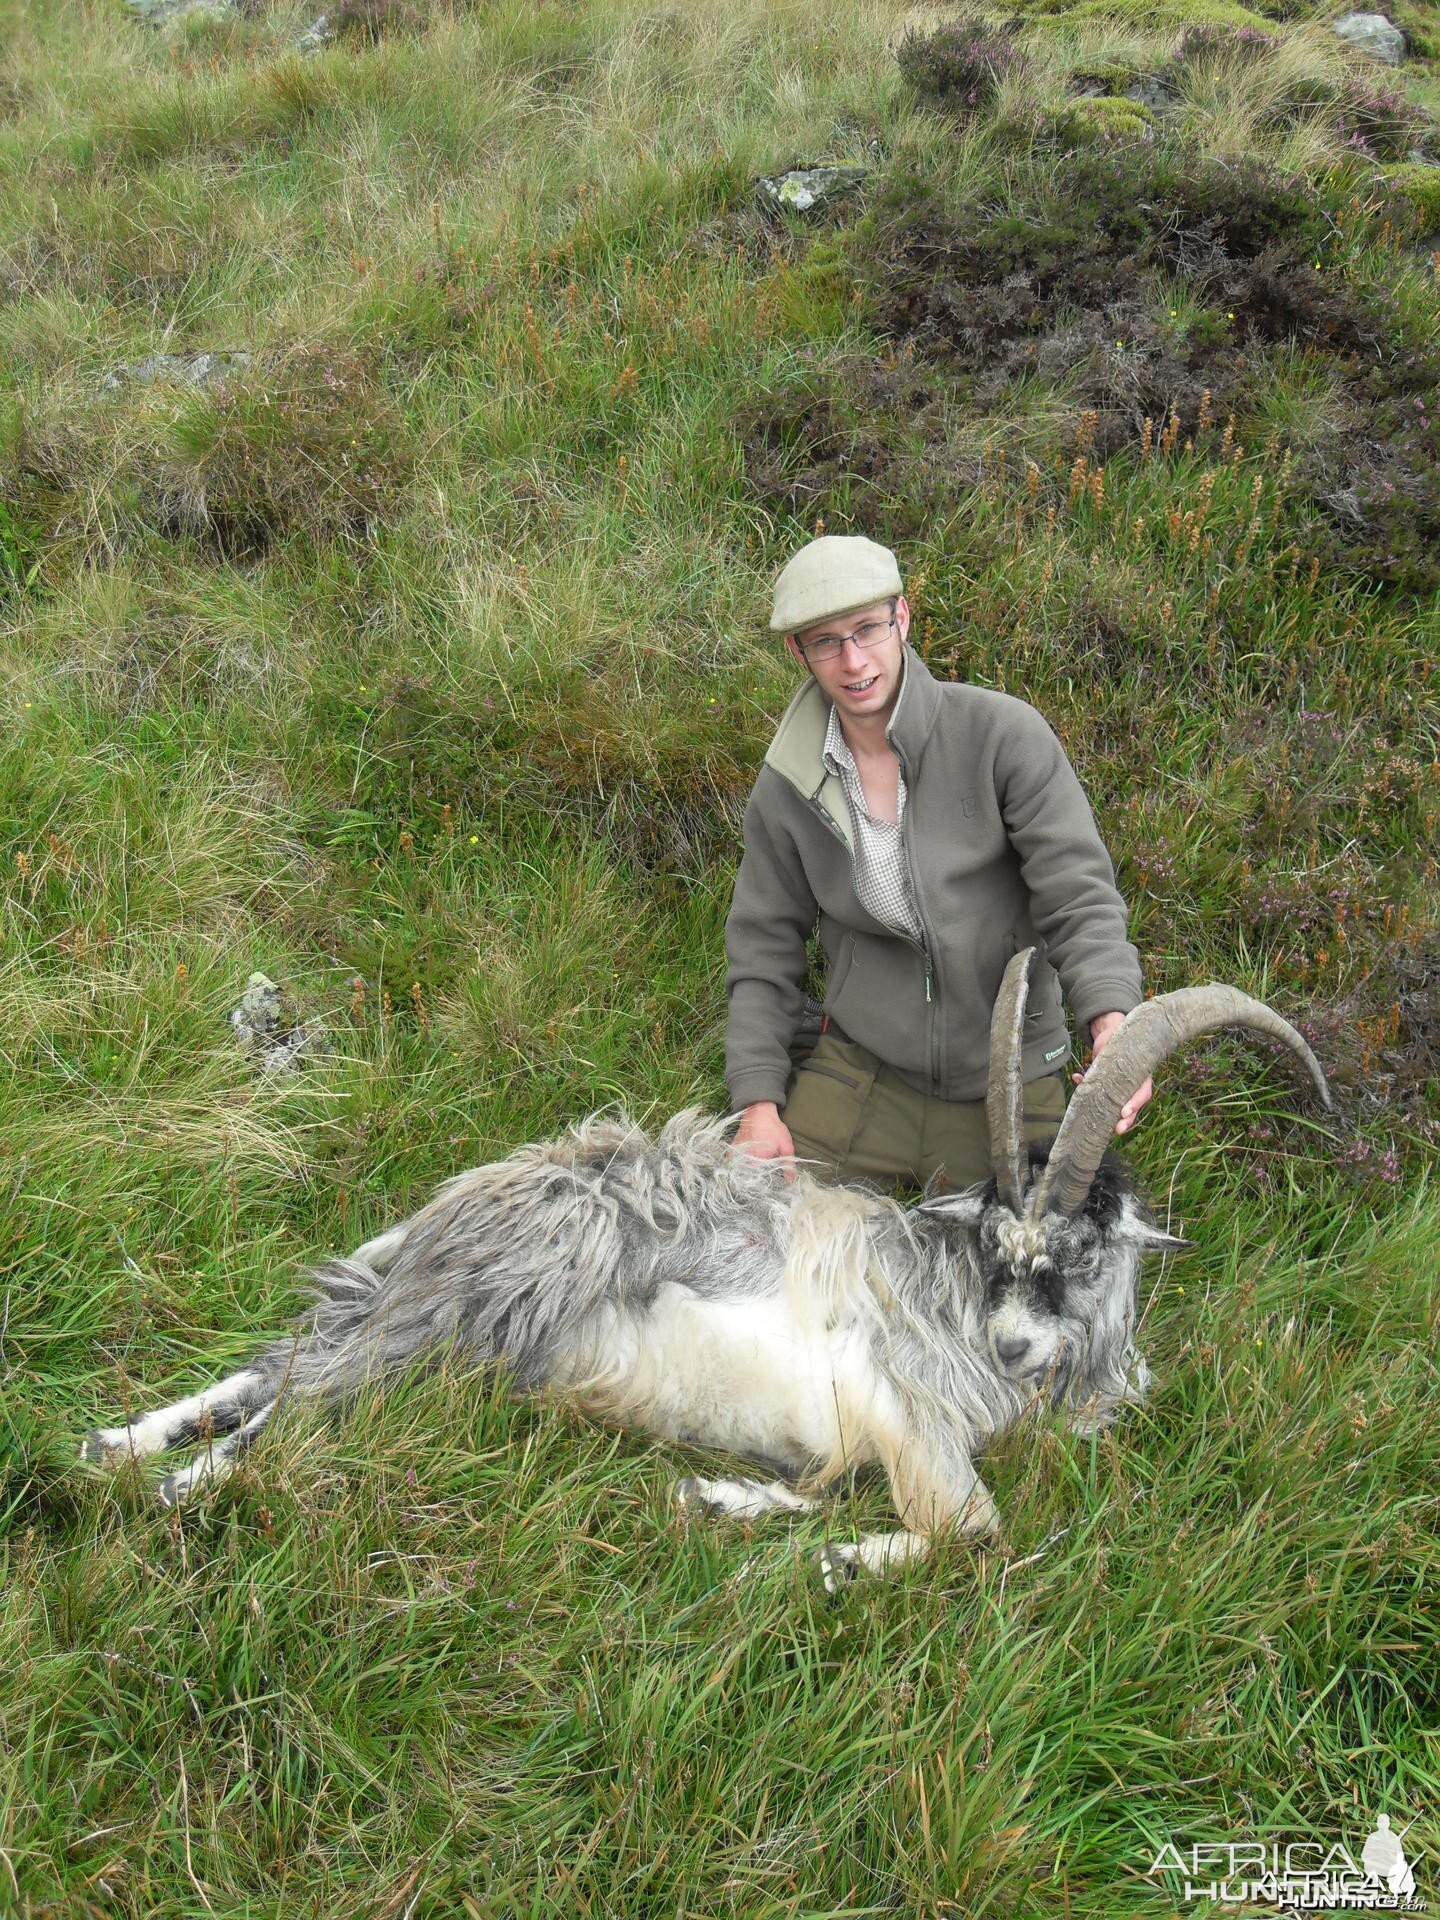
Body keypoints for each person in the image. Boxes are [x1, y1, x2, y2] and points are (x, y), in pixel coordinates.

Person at [724, 534, 1152, 1190]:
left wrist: (1111, 1021)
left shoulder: (1003, 737)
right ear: (798, 651)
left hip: (1010, 1078)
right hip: (862, 1070)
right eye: (826, 641)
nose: (854, 660)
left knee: (1032, 1274)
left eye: (867, 628)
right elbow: (762, 950)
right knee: (760, 1239)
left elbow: (1078, 897)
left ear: (902, 617)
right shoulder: (787, 785)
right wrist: (758, 1104)